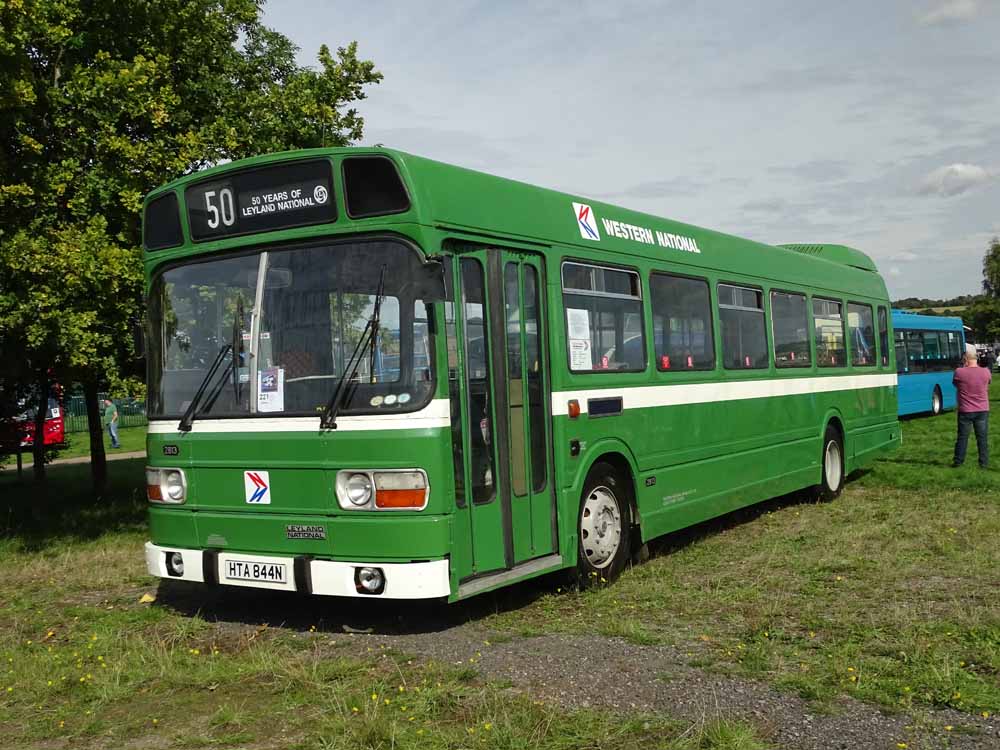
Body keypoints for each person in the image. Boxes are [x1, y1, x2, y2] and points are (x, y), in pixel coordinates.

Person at [952, 350, 991, 468]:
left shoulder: (959, 372)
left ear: (966, 360)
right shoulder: (986, 371)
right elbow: (987, 384)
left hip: (965, 409)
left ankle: (958, 461)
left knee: (962, 437)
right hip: (982, 408)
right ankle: (983, 463)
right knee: (982, 437)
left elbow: (955, 384)